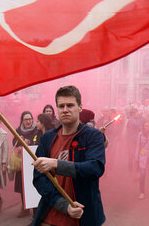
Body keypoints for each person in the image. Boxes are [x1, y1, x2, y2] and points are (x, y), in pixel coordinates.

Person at [31, 85, 106, 226]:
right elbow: (39, 178)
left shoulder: (93, 135)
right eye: (61, 106)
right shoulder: (47, 138)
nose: (65, 110)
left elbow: (95, 168)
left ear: (80, 107)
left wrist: (56, 164)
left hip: (84, 217)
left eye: (70, 105)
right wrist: (63, 205)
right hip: (49, 217)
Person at [13, 110, 40, 218]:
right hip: (22, 162)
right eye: (26, 119)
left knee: (32, 186)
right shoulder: (18, 130)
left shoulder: (37, 129)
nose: (28, 121)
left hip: (33, 162)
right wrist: (20, 142)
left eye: (30, 119)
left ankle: (35, 211)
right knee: (22, 186)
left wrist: (30, 142)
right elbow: (14, 142)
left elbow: (39, 142)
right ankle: (25, 207)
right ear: (22, 121)